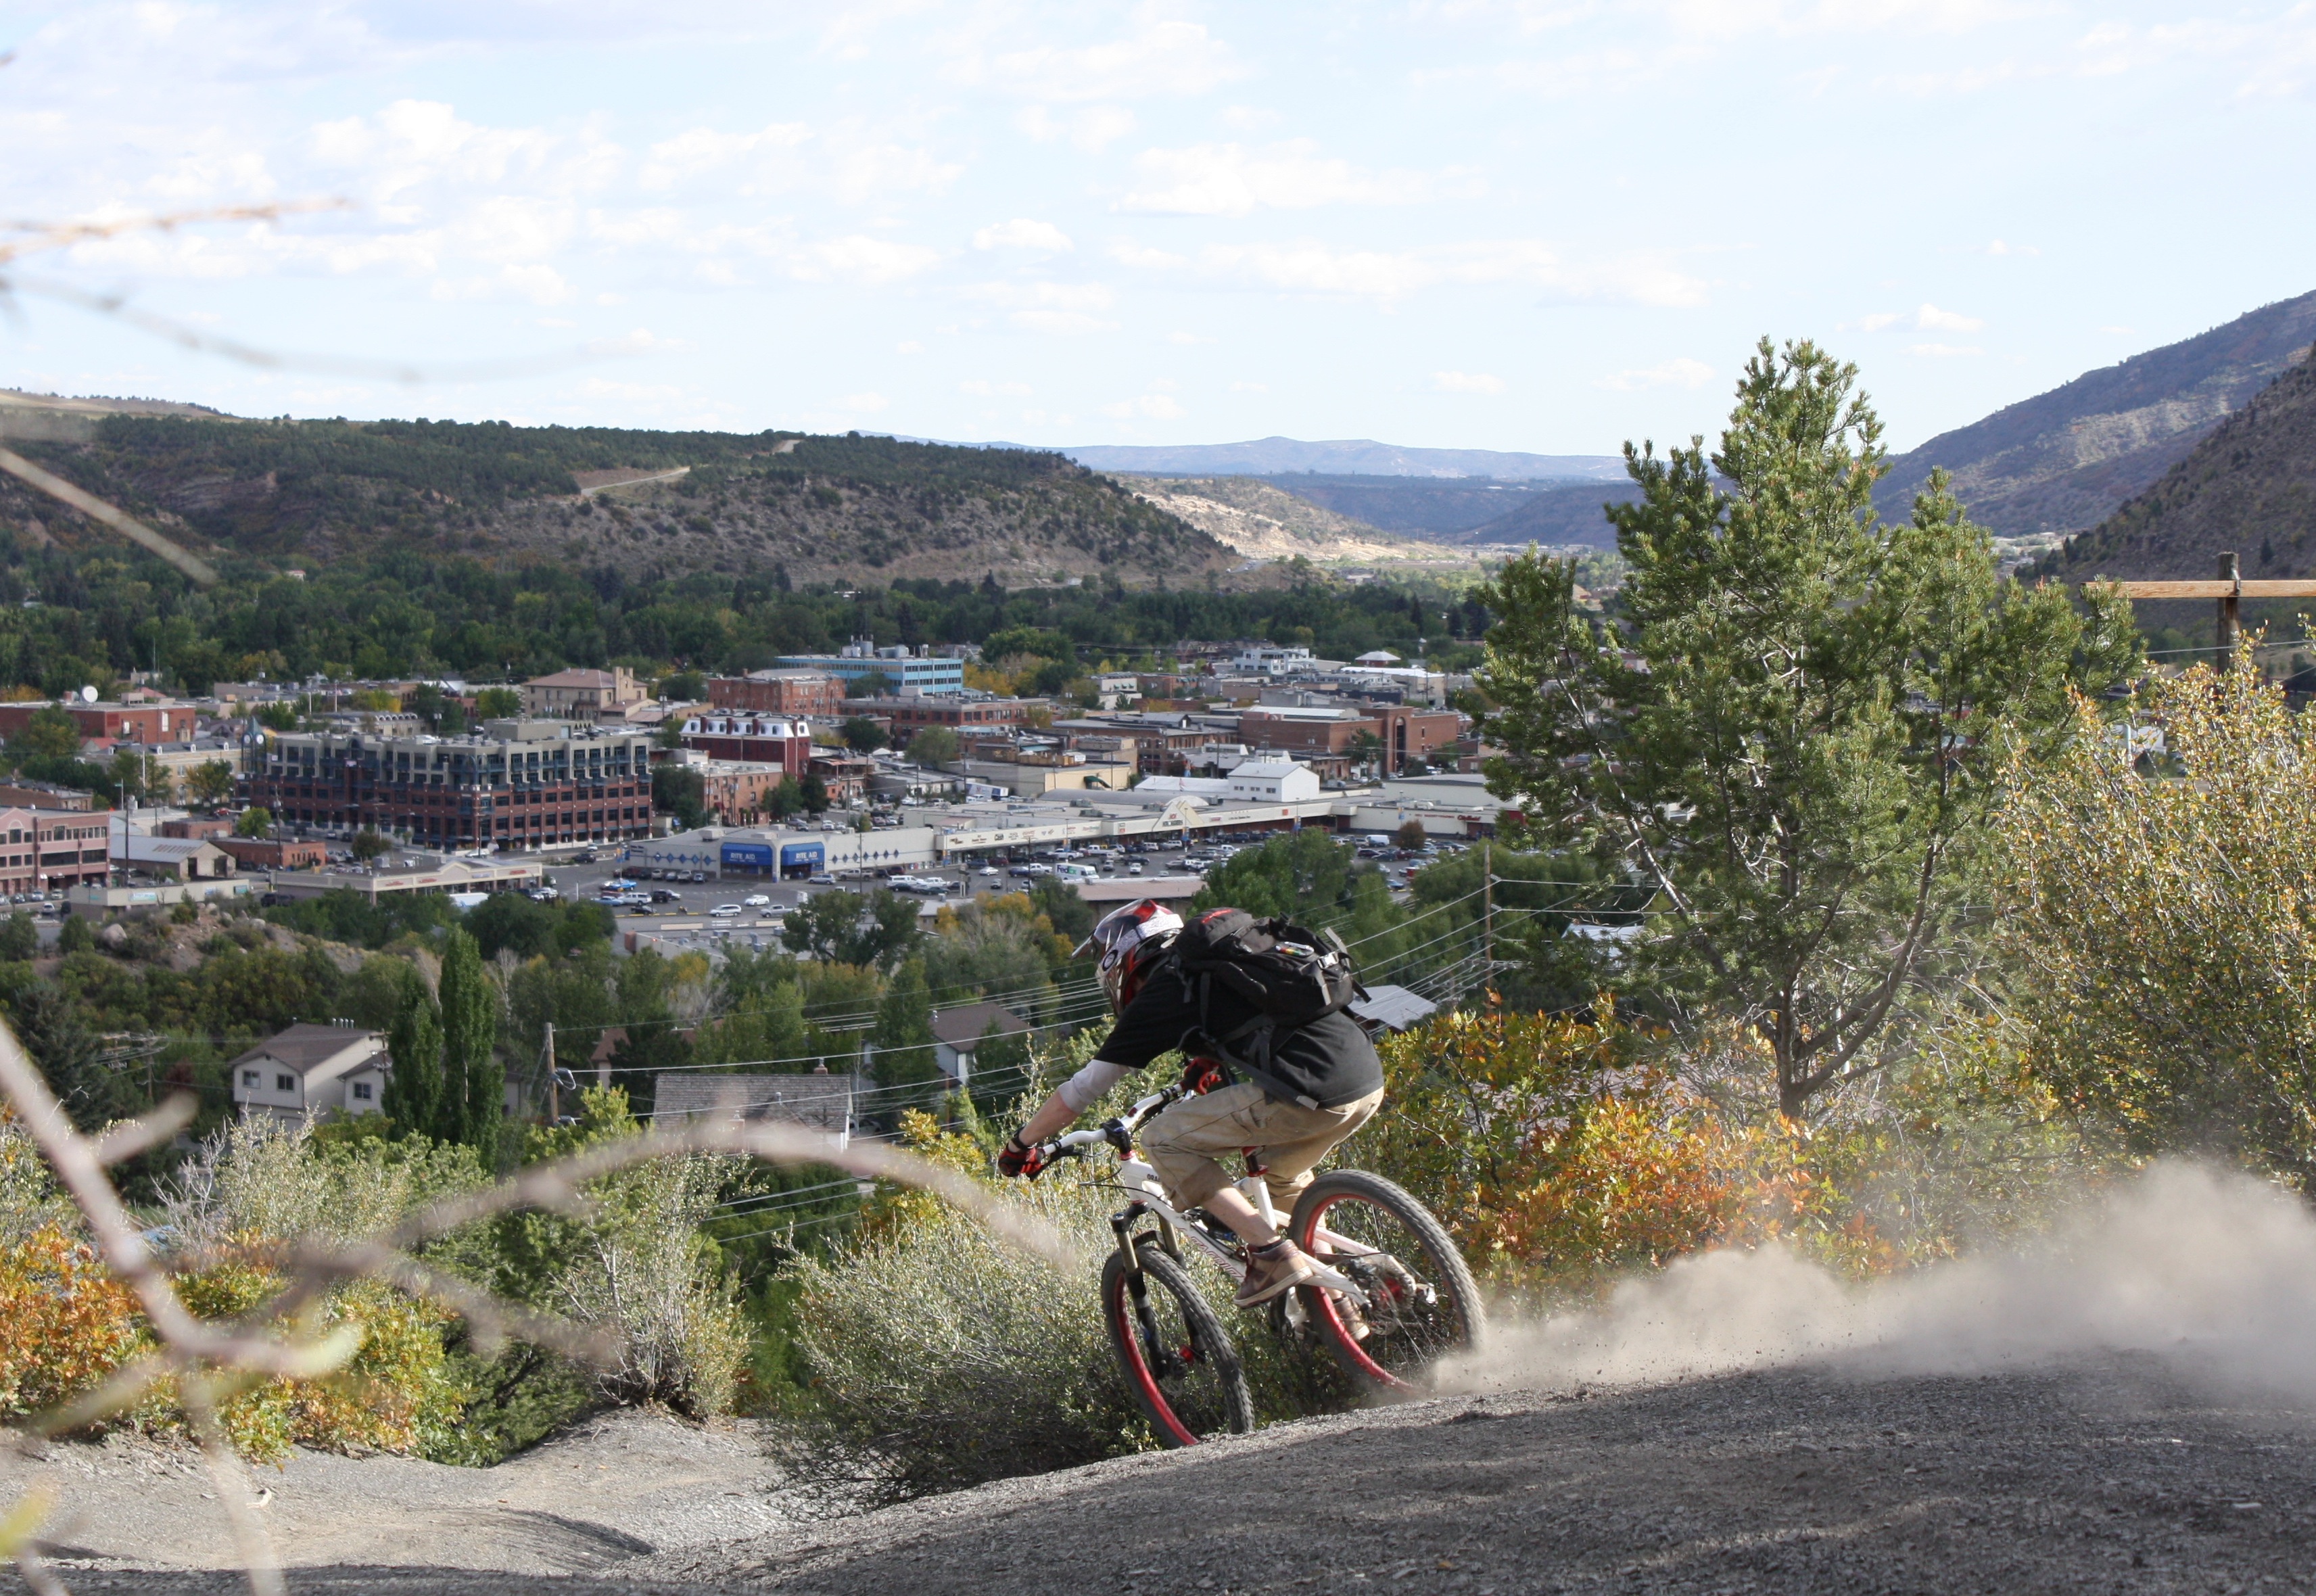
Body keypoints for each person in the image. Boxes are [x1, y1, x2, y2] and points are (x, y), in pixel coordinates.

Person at [999, 899, 1386, 1309]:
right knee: (1283, 1177)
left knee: (1165, 1139)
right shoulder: (1222, 962)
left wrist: (1022, 1144)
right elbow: (1258, 1016)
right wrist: (1206, 1059)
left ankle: (1270, 1255)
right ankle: (1345, 1298)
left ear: (1123, 957)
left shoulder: (1166, 986)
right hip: (1364, 1080)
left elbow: (1082, 1090)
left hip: (1311, 1094)